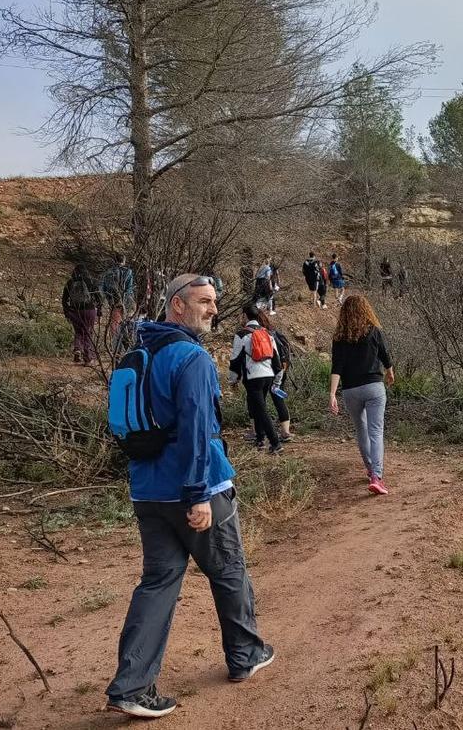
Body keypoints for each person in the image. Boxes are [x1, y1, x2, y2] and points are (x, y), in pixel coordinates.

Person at [106, 274, 274, 718]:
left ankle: (132, 686)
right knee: (229, 569)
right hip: (195, 491)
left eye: (215, 302)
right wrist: (199, 494)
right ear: (177, 306)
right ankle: (245, 654)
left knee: (158, 583)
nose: (213, 309)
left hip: (147, 493)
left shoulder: (135, 355)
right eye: (204, 301)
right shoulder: (192, 359)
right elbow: (200, 432)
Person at [329, 295, 394, 496]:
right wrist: (390, 371)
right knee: (376, 432)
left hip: (351, 390)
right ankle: (376, 476)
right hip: (374, 386)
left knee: (361, 430)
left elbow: (336, 367)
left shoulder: (339, 338)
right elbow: (384, 355)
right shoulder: (374, 331)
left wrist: (332, 394)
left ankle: (370, 470)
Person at [228, 303, 284, 453]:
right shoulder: (268, 333)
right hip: (268, 376)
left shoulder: (241, 334)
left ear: (245, 316)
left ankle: (275, 443)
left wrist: (233, 380)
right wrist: (277, 380)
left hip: (253, 377)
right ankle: (260, 439)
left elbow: (235, 360)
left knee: (261, 409)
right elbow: (276, 360)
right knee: (257, 406)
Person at [260, 310, 294, 443]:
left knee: (258, 401)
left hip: (267, 371)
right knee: (278, 399)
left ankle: (258, 432)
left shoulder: (262, 334)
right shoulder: (275, 332)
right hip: (281, 370)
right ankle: (286, 431)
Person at [61, 264, 98, 364]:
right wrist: (100, 310)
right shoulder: (91, 281)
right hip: (89, 310)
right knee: (88, 332)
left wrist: (67, 312)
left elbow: (64, 300)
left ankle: (77, 349)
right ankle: (88, 357)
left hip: (74, 310)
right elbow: (98, 296)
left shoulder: (70, 282)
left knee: (78, 331)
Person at [101, 253, 136, 352]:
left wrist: (109, 300)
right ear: (124, 261)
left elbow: (103, 289)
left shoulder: (108, 272)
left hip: (114, 303)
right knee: (128, 324)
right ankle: (128, 347)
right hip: (127, 302)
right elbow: (129, 289)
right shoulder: (128, 272)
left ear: (114, 260)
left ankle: (116, 347)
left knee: (115, 325)